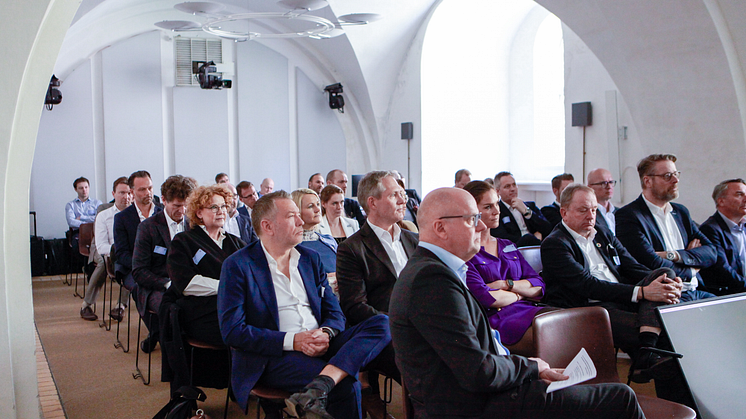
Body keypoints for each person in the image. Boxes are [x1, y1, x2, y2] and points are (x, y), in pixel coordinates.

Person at [389, 187, 644, 419]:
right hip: (475, 407)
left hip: (486, 394)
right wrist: (532, 366)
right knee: (620, 397)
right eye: (472, 219)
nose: (480, 227)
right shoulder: (431, 279)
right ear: (440, 228)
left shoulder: (435, 270)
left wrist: (529, 370)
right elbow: (478, 372)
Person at [217, 191, 390, 419]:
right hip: (275, 354)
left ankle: (322, 382)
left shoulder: (309, 259)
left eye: (300, 215)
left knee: (383, 323)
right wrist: (294, 341)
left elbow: (334, 311)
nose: (301, 221)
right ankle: (327, 382)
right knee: (348, 386)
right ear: (268, 226)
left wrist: (326, 333)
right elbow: (233, 332)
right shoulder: (238, 265)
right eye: (292, 216)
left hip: (321, 341)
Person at [540, 184, 688, 395]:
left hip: (621, 300)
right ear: (564, 212)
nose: (591, 215)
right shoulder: (555, 244)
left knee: (666, 272)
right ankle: (648, 351)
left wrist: (667, 282)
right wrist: (643, 293)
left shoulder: (602, 234)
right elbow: (587, 286)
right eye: (583, 210)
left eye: (594, 209)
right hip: (588, 309)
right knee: (669, 338)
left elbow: (632, 266)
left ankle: (646, 350)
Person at [337, 171, 417, 419]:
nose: (403, 200)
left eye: (403, 194)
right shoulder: (352, 248)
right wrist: (399, 326)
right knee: (424, 365)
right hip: (386, 333)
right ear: (372, 202)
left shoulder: (415, 240)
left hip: (424, 325)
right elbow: (354, 306)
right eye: (395, 195)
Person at [616, 154, 717, 302]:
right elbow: (652, 263)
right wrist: (691, 269)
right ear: (648, 181)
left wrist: (675, 255)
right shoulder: (629, 216)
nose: (675, 180)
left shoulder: (681, 212)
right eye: (668, 176)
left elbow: (711, 252)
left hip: (696, 290)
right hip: (666, 295)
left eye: (676, 174)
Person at [463, 181, 548, 355]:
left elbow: (539, 285)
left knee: (574, 323)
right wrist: (521, 292)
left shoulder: (507, 245)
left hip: (528, 309)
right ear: (472, 211)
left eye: (497, 204)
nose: (497, 211)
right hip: (498, 320)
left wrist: (506, 284)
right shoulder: (466, 252)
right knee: (553, 337)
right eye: (488, 207)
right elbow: (487, 298)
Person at [166, 185, 245, 347]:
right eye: (214, 207)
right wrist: (226, 287)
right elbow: (186, 283)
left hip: (235, 305)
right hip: (202, 310)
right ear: (199, 212)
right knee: (242, 331)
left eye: (223, 206)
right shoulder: (184, 241)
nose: (221, 211)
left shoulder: (236, 243)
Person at [131, 175, 197, 353]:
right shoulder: (148, 228)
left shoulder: (194, 224)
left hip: (189, 283)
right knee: (174, 311)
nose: (182, 210)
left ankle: (162, 337)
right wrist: (167, 284)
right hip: (158, 286)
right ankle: (177, 364)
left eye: (185, 205)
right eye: (176, 206)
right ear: (164, 201)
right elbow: (139, 271)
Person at [80, 177, 132, 321]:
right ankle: (86, 305)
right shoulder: (104, 214)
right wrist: (119, 251)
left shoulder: (137, 215)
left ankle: (120, 307)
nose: (126, 197)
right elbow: (101, 245)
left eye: (128, 193)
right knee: (103, 263)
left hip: (124, 253)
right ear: (113, 194)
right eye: (121, 193)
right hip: (103, 249)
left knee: (129, 264)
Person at [114, 171, 162, 314]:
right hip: (134, 268)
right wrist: (142, 265)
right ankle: (155, 332)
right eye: (142, 189)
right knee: (143, 289)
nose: (148, 192)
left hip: (163, 266)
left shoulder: (163, 212)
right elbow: (122, 253)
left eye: (150, 188)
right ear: (132, 192)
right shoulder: (122, 218)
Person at [699, 179, 746, 295]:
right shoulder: (709, 229)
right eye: (739, 194)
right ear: (721, 201)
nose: (745, 199)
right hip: (729, 295)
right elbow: (722, 270)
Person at [291, 189, 338, 285]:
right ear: (297, 212)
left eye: (318, 204)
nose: (317, 209)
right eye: (310, 206)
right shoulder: (291, 246)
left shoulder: (329, 240)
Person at [492, 171, 552, 247]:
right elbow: (502, 238)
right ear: (498, 191)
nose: (512, 189)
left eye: (514, 185)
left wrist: (526, 211)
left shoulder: (530, 206)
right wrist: (531, 239)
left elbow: (548, 229)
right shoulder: (496, 211)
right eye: (507, 186)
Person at [587, 168, 618, 233]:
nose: (609, 186)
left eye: (611, 182)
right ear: (590, 187)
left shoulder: (620, 212)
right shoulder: (587, 215)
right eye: (604, 183)